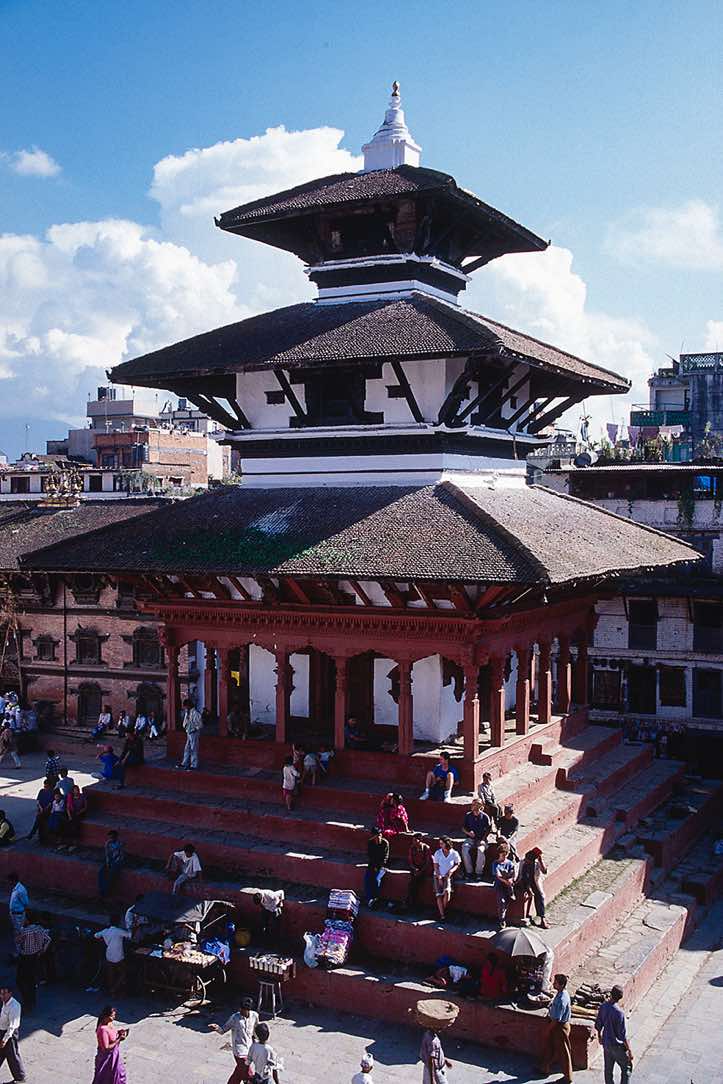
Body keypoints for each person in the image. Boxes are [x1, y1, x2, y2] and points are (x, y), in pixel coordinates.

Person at [208, 996, 259, 1084]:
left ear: (248, 1009)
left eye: (243, 1009)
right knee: (249, 1075)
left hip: (249, 1050)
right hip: (239, 1052)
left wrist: (257, 1045)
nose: (241, 1011)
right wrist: (216, 1028)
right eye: (241, 1008)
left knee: (238, 1073)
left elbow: (255, 1032)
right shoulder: (235, 1018)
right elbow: (223, 1030)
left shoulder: (255, 1016)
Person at [595, 984, 633, 1084]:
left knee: (608, 1070)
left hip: (606, 1044)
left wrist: (599, 1036)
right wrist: (629, 1050)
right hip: (617, 1046)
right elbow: (622, 1035)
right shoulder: (619, 1013)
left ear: (611, 994)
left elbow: (598, 1024)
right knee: (626, 1068)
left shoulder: (603, 1007)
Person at [539, 973, 573, 1083]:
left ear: (561, 985)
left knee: (563, 1052)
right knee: (550, 1047)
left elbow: (556, 1019)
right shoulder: (560, 994)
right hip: (556, 1025)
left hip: (559, 1027)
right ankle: (545, 1068)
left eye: (556, 983)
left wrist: (547, 1030)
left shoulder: (562, 999)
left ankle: (568, 1077)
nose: (554, 984)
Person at [15, 913, 51, 1011]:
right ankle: (32, 1000)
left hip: (25, 957)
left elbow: (17, 941)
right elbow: (48, 939)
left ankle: (27, 1001)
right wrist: (43, 949)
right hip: (35, 956)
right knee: (31, 979)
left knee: (21, 980)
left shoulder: (24, 931)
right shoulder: (39, 929)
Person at [95, 915, 131, 996]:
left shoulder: (105, 931)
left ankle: (112, 990)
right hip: (118, 956)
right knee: (123, 973)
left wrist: (102, 938)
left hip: (109, 955)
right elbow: (130, 935)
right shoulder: (119, 931)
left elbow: (96, 935)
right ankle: (114, 988)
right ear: (118, 923)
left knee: (111, 974)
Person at [93, 1005, 128, 1084]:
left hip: (115, 1055)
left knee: (120, 1074)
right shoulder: (102, 1030)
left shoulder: (109, 1023)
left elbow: (112, 1035)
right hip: (108, 1059)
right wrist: (119, 1039)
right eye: (112, 1016)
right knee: (107, 1078)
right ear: (106, 1016)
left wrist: (119, 1033)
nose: (114, 1018)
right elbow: (106, 1047)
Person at [461, 798, 492, 880]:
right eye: (474, 804)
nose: (475, 806)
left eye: (477, 804)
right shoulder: (468, 815)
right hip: (470, 839)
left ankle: (479, 873)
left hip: (482, 839)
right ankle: (469, 872)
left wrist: (483, 839)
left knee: (480, 850)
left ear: (481, 806)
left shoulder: (485, 817)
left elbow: (489, 829)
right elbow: (463, 828)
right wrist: (468, 833)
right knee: (464, 849)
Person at [0, 985, 26, 1083]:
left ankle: (20, 1078)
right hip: (2, 1031)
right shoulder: (4, 1003)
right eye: (1, 993)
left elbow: (12, 1026)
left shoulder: (15, 1006)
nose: (2, 996)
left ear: (10, 993)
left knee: (13, 1055)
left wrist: (4, 1039)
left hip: (9, 1034)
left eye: (4, 993)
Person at [517, 848, 548, 928]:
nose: (526, 861)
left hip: (535, 882)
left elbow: (544, 871)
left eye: (528, 860)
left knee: (540, 896)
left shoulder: (537, 863)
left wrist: (541, 860)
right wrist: (528, 889)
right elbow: (522, 877)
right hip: (524, 882)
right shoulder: (523, 863)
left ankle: (542, 918)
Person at [432, 836, 461, 921]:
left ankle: (443, 910)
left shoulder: (454, 853)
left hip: (448, 876)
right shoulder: (438, 853)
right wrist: (439, 877)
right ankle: (442, 915)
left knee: (447, 892)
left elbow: (457, 864)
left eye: (442, 843)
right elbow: (436, 866)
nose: (440, 845)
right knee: (438, 895)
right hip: (438, 875)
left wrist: (451, 871)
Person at [491, 840, 516, 928]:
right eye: (502, 854)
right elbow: (498, 876)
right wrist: (507, 882)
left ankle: (511, 892)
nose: (504, 856)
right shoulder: (495, 863)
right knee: (501, 902)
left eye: (505, 854)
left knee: (506, 901)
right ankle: (502, 919)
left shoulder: (510, 863)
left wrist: (510, 880)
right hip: (500, 884)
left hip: (508, 882)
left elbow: (513, 874)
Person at [364, 825, 389, 908]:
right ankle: (369, 899)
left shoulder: (385, 843)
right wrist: (374, 866)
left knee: (376, 880)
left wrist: (378, 866)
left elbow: (385, 857)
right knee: (367, 879)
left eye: (379, 835)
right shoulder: (370, 843)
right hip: (372, 864)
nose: (378, 837)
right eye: (376, 836)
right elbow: (370, 856)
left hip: (382, 866)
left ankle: (376, 898)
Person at [406, 834, 432, 909]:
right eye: (413, 840)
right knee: (413, 884)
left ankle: (411, 902)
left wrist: (420, 871)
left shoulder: (426, 848)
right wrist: (415, 869)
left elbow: (427, 862)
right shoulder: (412, 848)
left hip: (424, 869)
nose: (413, 842)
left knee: (415, 883)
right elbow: (410, 861)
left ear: (420, 840)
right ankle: (412, 902)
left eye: (415, 840)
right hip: (415, 869)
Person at [27, 777, 54, 842]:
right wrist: (41, 808)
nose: (45, 787)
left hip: (47, 810)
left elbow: (50, 804)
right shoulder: (41, 791)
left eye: (47, 786)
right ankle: (35, 834)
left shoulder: (51, 792)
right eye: (45, 786)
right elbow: (38, 801)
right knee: (39, 818)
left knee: (39, 818)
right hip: (41, 809)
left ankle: (32, 833)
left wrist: (44, 809)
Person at [99, 830, 125, 897]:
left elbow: (119, 855)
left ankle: (106, 892)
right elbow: (107, 854)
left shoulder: (119, 843)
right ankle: (102, 890)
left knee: (111, 874)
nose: (110, 839)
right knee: (101, 871)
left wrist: (113, 862)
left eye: (112, 837)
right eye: (110, 837)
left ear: (116, 837)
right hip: (110, 860)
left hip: (117, 861)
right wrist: (108, 862)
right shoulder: (108, 843)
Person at [179, 698, 202, 770]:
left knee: (193, 749)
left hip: (194, 733)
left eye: (186, 706)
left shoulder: (196, 713)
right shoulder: (187, 713)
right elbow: (185, 722)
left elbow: (200, 725)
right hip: (188, 732)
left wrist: (194, 729)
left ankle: (194, 765)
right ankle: (184, 763)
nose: (185, 708)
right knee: (187, 748)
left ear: (189, 706)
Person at [8, 875, 29, 941]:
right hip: (14, 914)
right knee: (17, 930)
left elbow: (26, 902)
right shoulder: (16, 888)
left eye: (10, 881)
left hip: (18, 914)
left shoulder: (21, 890)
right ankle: (20, 946)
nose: (9, 883)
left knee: (19, 931)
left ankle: (22, 947)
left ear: (13, 881)